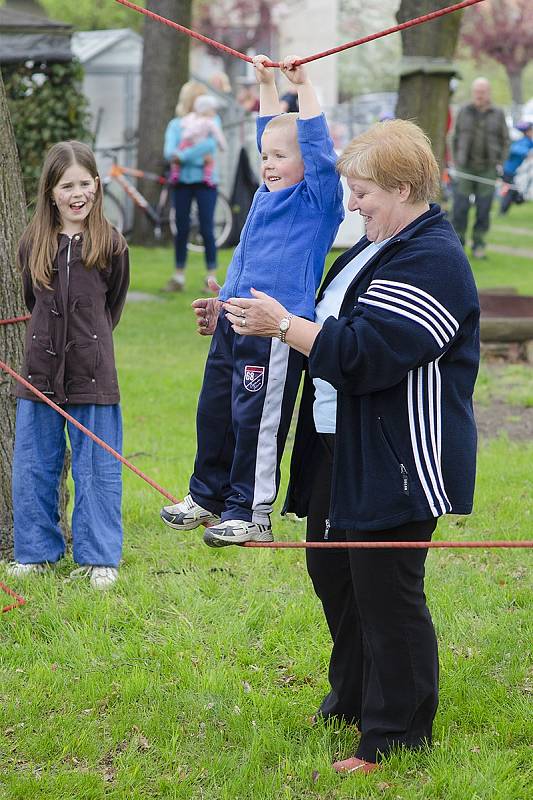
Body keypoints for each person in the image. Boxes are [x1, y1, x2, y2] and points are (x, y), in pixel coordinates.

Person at [217, 119, 480, 772]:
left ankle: (395, 734)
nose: (353, 204)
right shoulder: (372, 247)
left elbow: (367, 354)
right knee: (335, 575)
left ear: (400, 186)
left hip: (395, 458)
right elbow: (324, 321)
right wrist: (256, 321)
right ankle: (353, 698)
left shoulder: (432, 260)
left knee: (386, 593)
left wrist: (284, 327)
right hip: (341, 445)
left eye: (361, 191)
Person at [159, 54, 344, 547]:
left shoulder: (317, 200)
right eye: (265, 156)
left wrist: (302, 86)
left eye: (281, 157)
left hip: (274, 330)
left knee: (257, 421)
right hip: (233, 322)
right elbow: (270, 131)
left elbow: (318, 150)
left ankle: (250, 509)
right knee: (216, 412)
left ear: (306, 161)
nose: (268, 164)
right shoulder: (266, 193)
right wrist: (265, 82)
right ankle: (207, 495)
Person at [7, 141, 130, 591]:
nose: (77, 194)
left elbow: (112, 308)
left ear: (96, 186)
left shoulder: (111, 245)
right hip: (39, 374)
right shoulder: (32, 242)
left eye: (85, 184)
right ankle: (36, 552)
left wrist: (88, 342)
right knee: (34, 464)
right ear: (51, 192)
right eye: (67, 186)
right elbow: (29, 299)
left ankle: (99, 557)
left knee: (96, 467)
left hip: (93, 376)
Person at [162, 81, 221, 292]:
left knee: (207, 228)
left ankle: (211, 277)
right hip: (182, 183)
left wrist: (184, 156)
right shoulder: (175, 125)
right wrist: (198, 158)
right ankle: (178, 276)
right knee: (182, 228)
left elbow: (211, 146)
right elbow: (169, 153)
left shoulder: (213, 121)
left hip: (207, 183)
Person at [451, 77, 509, 259]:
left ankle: (479, 244)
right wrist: (455, 161)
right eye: (476, 92)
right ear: (472, 92)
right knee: (460, 207)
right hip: (465, 167)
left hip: (488, 168)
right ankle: (458, 244)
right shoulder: (463, 111)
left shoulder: (498, 113)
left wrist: (501, 161)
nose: (479, 95)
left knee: (483, 208)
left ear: (488, 93)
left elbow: (505, 140)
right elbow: (454, 137)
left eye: (482, 92)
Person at [169, 95, 227, 188]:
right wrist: (223, 147)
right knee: (208, 161)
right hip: (189, 143)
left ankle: (177, 172)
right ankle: (206, 176)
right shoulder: (209, 122)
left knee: (207, 161)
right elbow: (217, 138)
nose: (214, 113)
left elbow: (211, 144)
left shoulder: (193, 118)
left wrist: (182, 157)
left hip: (187, 142)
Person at [500, 120, 533, 214]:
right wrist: (527, 153)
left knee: (514, 191)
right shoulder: (522, 141)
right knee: (510, 191)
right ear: (526, 132)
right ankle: (502, 212)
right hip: (508, 171)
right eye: (531, 130)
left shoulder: (528, 141)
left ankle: (509, 207)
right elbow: (514, 150)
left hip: (514, 172)